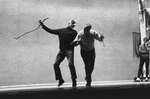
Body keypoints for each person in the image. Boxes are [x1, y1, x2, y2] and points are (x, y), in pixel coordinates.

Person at [39, 20, 78, 87]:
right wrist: (43, 26)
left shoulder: (74, 32)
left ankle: (74, 80)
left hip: (70, 50)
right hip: (62, 51)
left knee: (71, 64)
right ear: (68, 23)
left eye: (74, 25)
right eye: (72, 23)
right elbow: (51, 31)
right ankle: (60, 79)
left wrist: (76, 43)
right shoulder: (61, 31)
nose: (73, 25)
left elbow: (77, 41)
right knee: (55, 64)